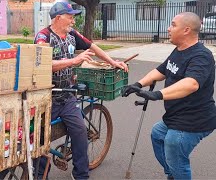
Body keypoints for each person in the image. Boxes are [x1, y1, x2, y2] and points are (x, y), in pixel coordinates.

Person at [33, 1, 128, 179]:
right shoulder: (43, 37)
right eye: (70, 17)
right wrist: (73, 61)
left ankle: (81, 174)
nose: (73, 21)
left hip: (68, 96)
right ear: (58, 18)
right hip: (47, 98)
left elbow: (92, 47)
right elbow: (42, 65)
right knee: (39, 138)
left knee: (79, 133)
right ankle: (39, 175)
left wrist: (112, 62)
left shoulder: (72, 35)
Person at [122, 12, 216, 180]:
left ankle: (176, 172)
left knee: (174, 147)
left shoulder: (201, 56)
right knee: (157, 134)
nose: (168, 28)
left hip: (194, 119)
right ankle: (172, 173)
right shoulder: (179, 50)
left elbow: (191, 84)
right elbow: (162, 70)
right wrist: (138, 84)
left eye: (173, 25)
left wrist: (157, 94)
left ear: (186, 30)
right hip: (176, 115)